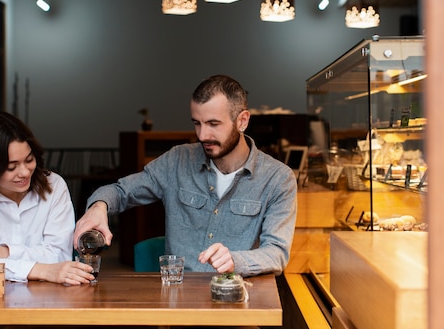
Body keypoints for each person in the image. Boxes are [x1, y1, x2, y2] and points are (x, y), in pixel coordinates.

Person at [74, 75, 298, 276]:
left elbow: (276, 253)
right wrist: (99, 206)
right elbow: (121, 191)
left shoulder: (278, 179)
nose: (202, 135)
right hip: (178, 302)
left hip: (236, 301)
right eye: (197, 123)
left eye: (213, 124)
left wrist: (235, 261)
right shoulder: (177, 161)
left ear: (242, 121)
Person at [0, 111, 95, 285]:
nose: (25, 172)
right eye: (12, 167)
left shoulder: (54, 185)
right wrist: (42, 270)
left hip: (49, 296)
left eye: (29, 159)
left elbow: (58, 255)